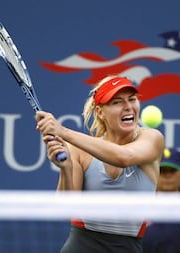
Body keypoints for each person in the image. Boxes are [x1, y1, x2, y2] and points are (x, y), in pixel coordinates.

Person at [35, 75, 164, 253]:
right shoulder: (79, 151)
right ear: (100, 112)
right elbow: (64, 209)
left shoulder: (152, 138)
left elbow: (124, 157)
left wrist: (63, 131)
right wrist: (66, 169)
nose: (128, 107)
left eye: (132, 99)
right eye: (117, 102)